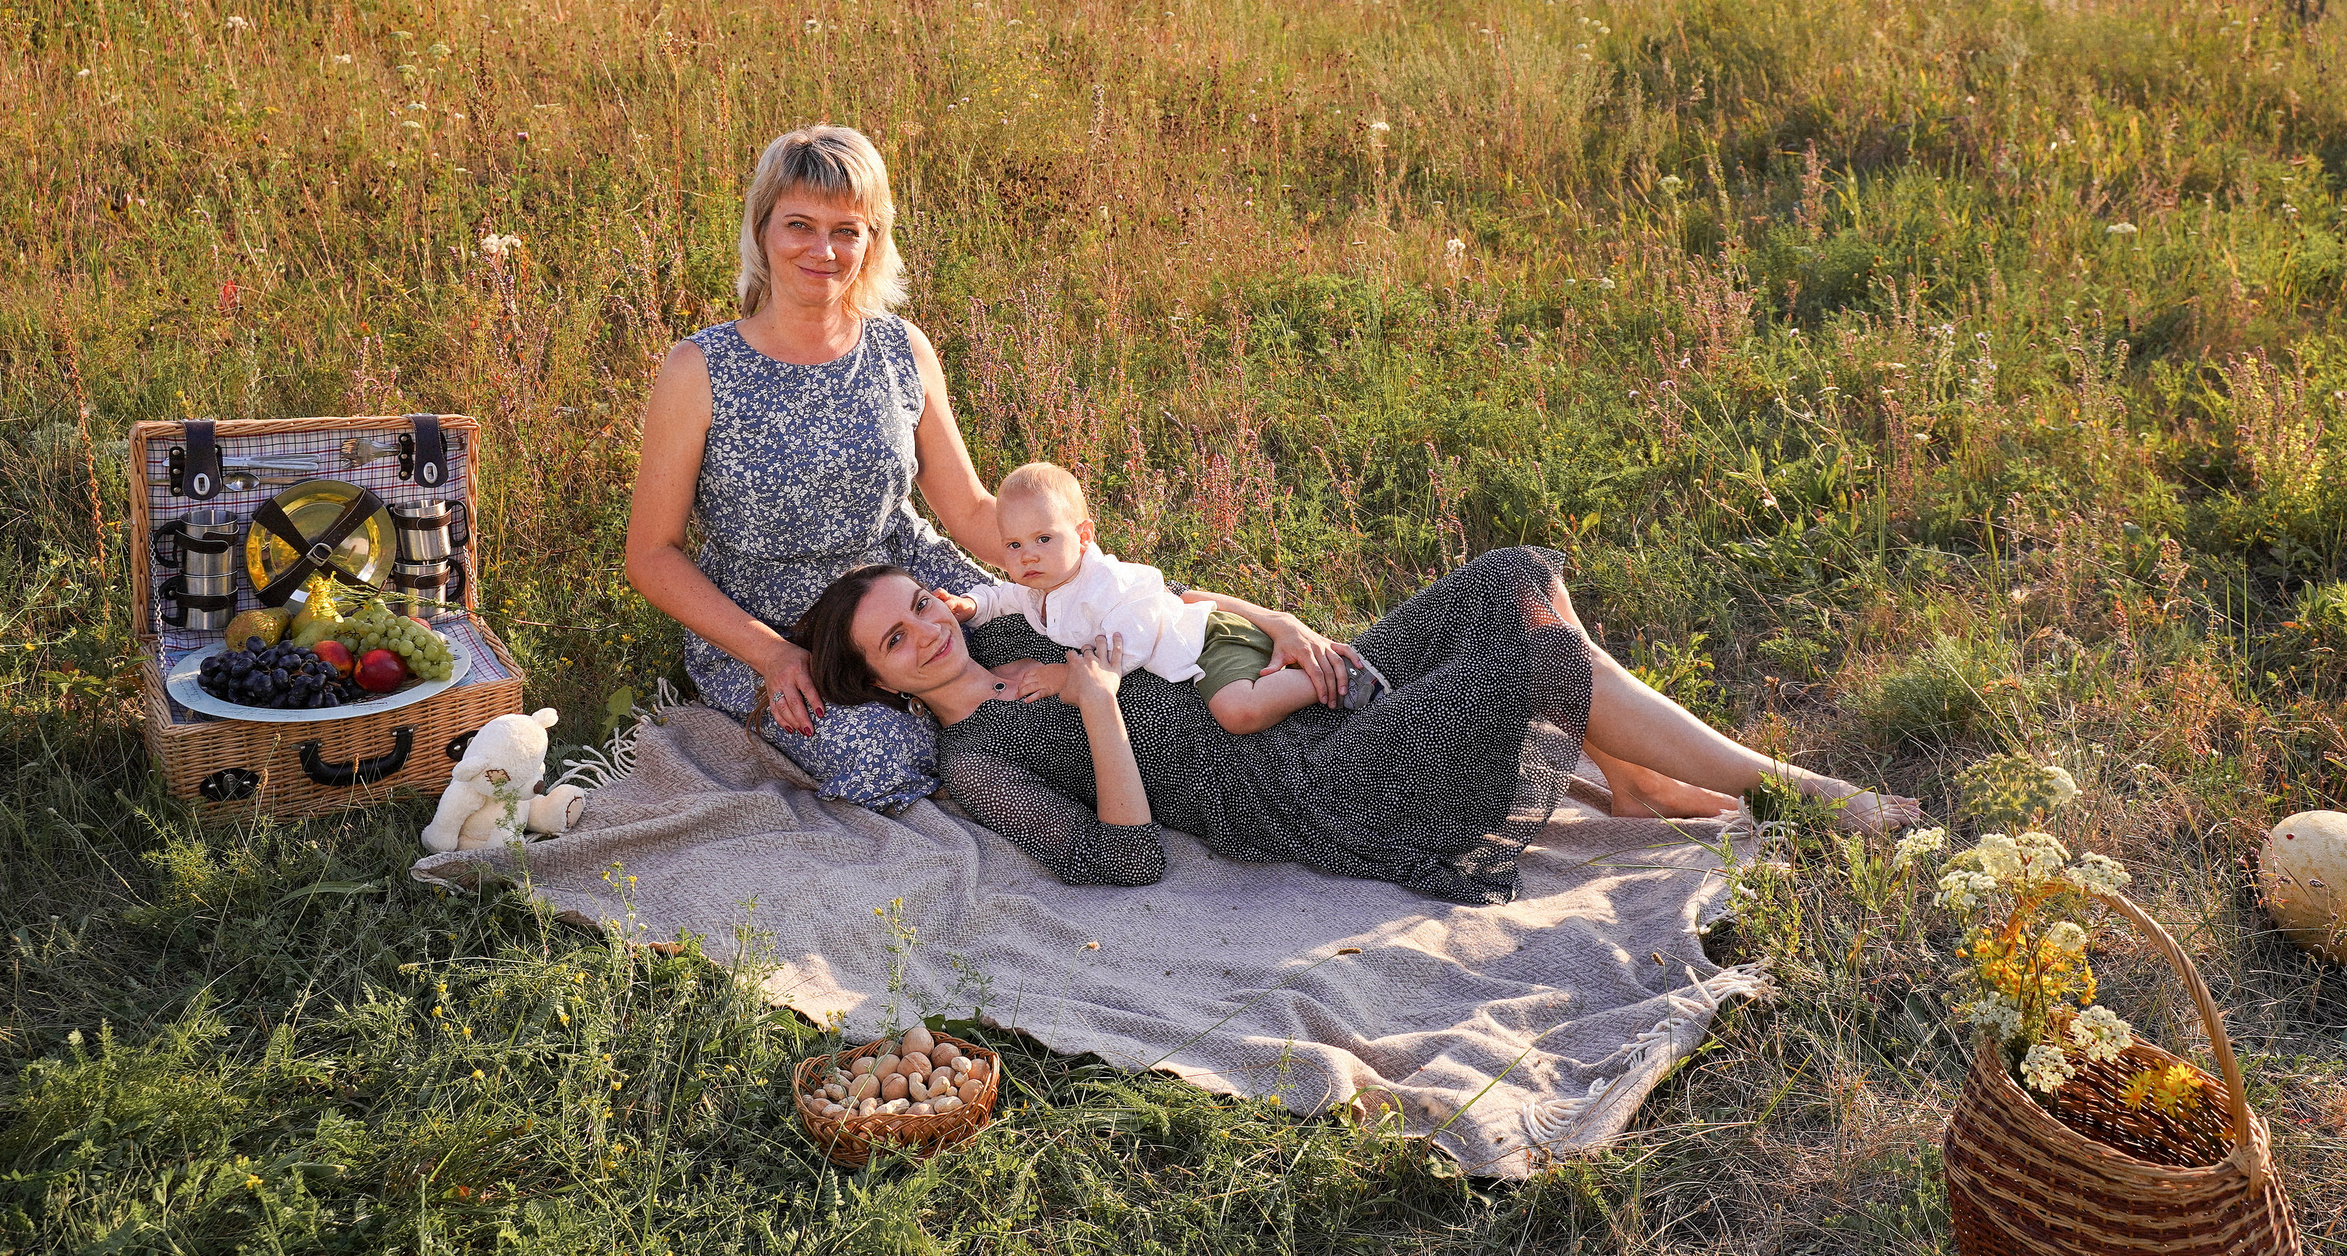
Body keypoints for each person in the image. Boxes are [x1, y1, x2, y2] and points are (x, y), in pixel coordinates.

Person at [624, 124, 1360, 805]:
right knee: (888, 757)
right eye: (800, 226)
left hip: (915, 592)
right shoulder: (701, 367)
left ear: (872, 240)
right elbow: (652, 556)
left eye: (846, 231)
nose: (823, 251)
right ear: (763, 228)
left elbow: (976, 512)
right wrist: (774, 655)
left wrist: (1125, 581)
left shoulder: (898, 348)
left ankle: (1258, 735)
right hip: (773, 621)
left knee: (1085, 643)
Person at [795, 549, 1920, 904]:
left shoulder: (1015, 623)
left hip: (1290, 704)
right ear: (882, 685)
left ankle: (1627, 779)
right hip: (1297, 789)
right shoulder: (973, 762)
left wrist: (1273, 619)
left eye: (915, 608)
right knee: (1538, 658)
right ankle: (1800, 793)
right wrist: (1097, 712)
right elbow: (1124, 858)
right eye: (894, 643)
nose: (923, 635)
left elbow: (1158, 602)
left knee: (1510, 578)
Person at [939, 461, 1366, 736]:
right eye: (1013, 545)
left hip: (1208, 640)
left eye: (1043, 538)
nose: (1027, 555)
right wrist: (972, 606)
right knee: (1242, 710)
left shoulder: (1105, 582)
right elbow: (1006, 596)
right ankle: (1293, 680)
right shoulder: (1042, 585)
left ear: (1084, 537)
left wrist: (1065, 677)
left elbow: (1130, 644)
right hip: (1193, 651)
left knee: (1238, 712)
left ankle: (1334, 677)